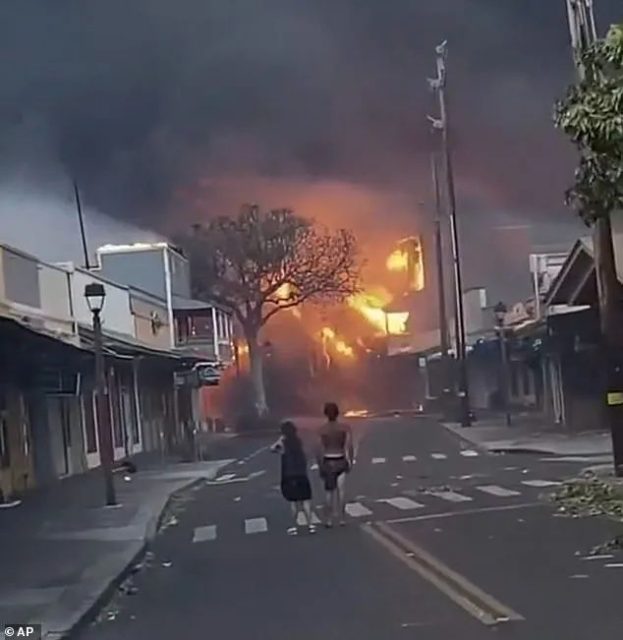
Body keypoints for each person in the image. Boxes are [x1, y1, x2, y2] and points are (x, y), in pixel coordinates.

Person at [271, 421, 316, 535]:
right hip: (301, 474)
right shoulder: (298, 441)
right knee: (306, 500)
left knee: (294, 502)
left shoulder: (283, 444)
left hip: (289, 475)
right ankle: (310, 525)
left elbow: (273, 449)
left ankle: (295, 527)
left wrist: (280, 439)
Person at [317, 402, 354, 527]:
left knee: (329, 492)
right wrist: (350, 460)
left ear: (326, 414)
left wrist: (320, 464)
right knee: (341, 492)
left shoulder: (322, 430)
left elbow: (319, 449)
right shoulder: (344, 428)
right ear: (337, 413)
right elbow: (349, 446)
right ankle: (342, 518)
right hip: (340, 459)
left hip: (328, 460)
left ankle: (328, 520)